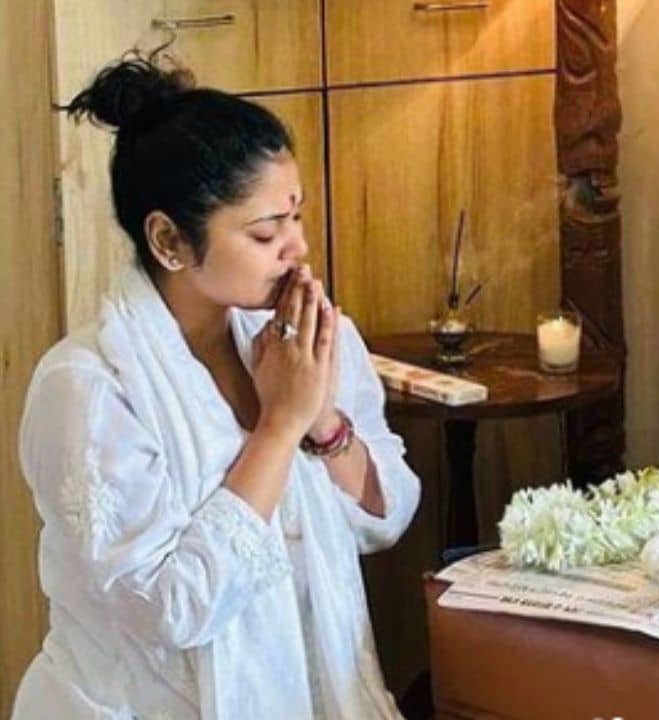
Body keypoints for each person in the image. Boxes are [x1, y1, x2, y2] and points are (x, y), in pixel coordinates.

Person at [12, 54, 421, 719]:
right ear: (169, 241)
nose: (297, 249)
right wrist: (280, 426)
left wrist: (321, 422)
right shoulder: (87, 389)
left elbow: (388, 516)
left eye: (295, 218)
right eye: (265, 232)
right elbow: (172, 609)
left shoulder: (303, 340)